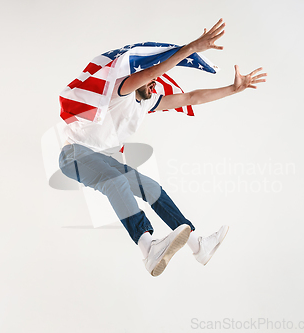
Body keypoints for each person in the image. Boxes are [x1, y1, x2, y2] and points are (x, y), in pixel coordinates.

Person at [59, 18, 267, 277]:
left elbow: (191, 97)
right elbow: (147, 73)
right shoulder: (119, 90)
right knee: (116, 182)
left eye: (156, 83)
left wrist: (233, 89)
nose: (154, 85)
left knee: (150, 187)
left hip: (101, 158)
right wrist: (192, 47)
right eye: (151, 80)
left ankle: (197, 246)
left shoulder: (147, 102)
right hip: (74, 154)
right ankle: (148, 249)